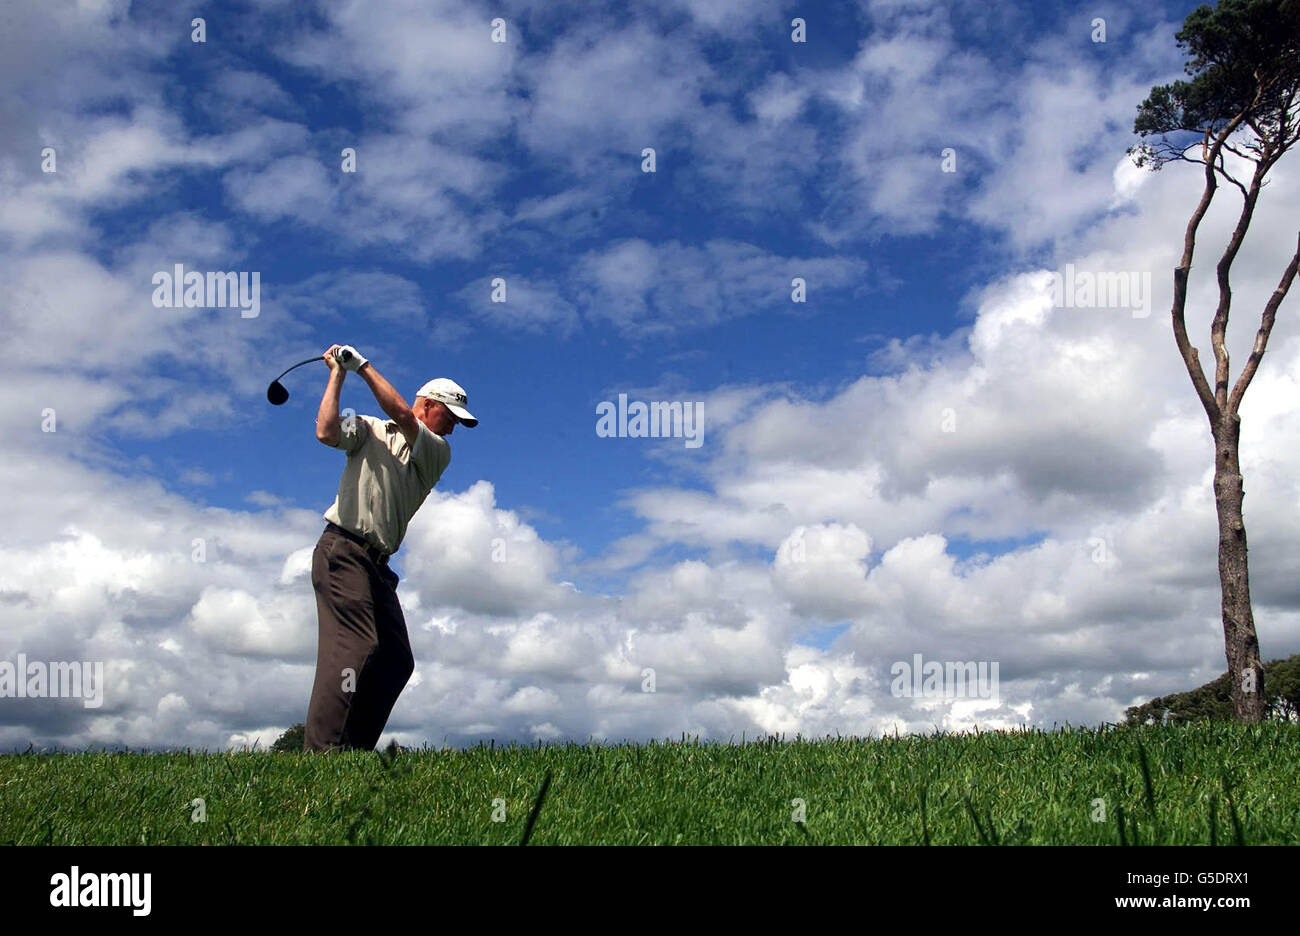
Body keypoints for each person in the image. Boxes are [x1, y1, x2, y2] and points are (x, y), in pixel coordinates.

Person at [303, 343, 478, 752]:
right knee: (356, 646)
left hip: (376, 565)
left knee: (397, 660)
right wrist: (338, 374)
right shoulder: (370, 430)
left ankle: (353, 750)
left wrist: (361, 365)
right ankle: (323, 752)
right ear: (429, 405)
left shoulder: (437, 450)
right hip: (342, 551)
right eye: (450, 417)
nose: (452, 427)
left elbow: (401, 414)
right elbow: (326, 431)